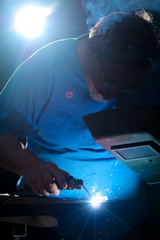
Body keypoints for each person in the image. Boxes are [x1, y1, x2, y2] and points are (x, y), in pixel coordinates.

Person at [0, 9, 159, 199]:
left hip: (128, 218)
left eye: (127, 86)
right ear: (92, 49)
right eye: (109, 80)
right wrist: (31, 166)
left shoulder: (148, 71)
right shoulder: (46, 66)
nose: (115, 93)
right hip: (50, 214)